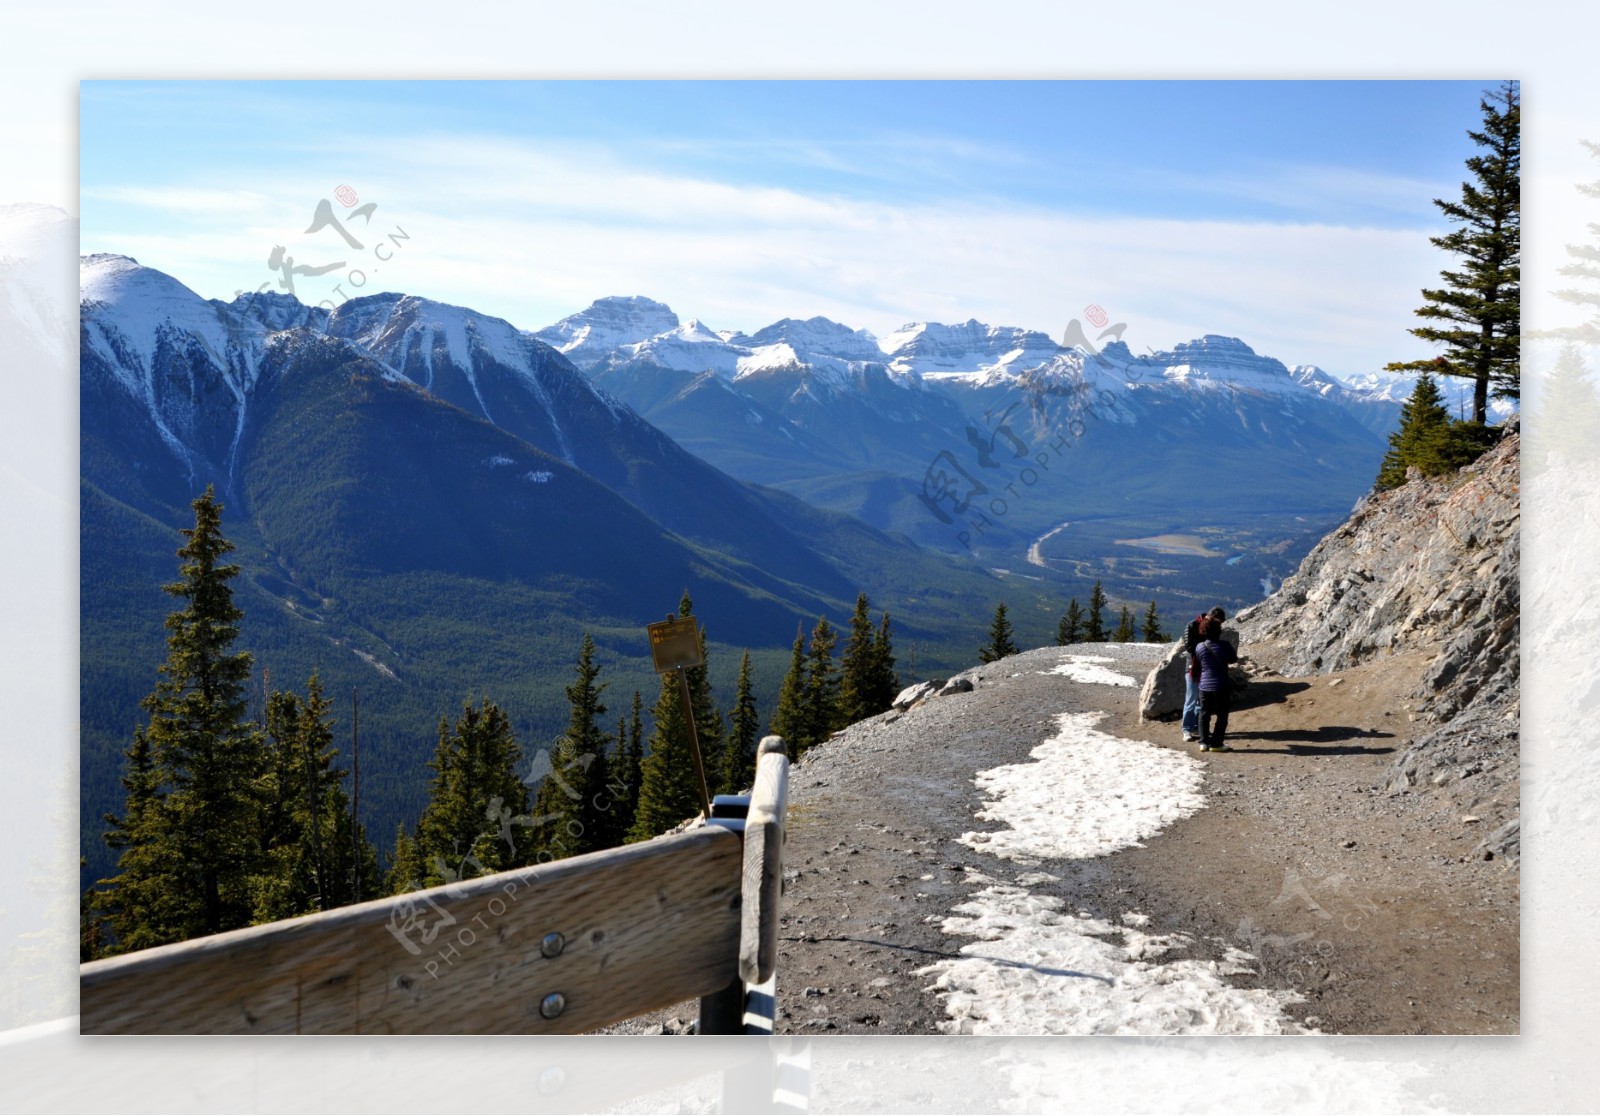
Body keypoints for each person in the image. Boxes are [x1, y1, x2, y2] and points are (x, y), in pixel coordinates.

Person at [1181, 606, 1226, 743]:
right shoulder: (1192, 625)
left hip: (1206, 670)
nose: (1219, 624)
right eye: (1217, 621)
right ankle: (1187, 729)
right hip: (1193, 668)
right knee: (1191, 700)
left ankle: (1196, 726)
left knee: (1201, 703)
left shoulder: (1212, 628)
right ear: (1210, 617)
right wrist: (1204, 648)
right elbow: (1189, 646)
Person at [1195, 615, 1239, 752]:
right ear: (1218, 630)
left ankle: (1203, 742)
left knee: (1204, 713)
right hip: (1222, 684)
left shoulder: (1200, 647)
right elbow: (1233, 659)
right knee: (1222, 715)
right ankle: (1216, 744)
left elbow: (1199, 662)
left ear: (1203, 630)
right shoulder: (1225, 645)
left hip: (1205, 685)